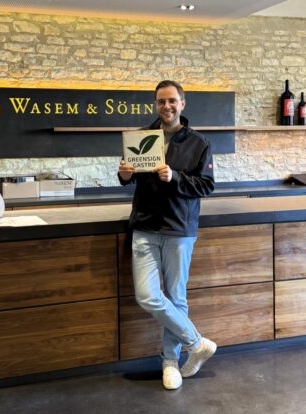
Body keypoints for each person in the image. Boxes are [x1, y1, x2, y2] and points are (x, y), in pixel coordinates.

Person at [118, 80, 217, 390]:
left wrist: (175, 177)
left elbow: (206, 186)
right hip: (145, 226)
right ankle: (197, 343)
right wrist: (124, 175)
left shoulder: (199, 143)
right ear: (155, 104)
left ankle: (170, 363)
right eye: (161, 101)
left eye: (172, 100)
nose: (167, 106)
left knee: (176, 297)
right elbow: (129, 177)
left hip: (179, 229)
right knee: (147, 296)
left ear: (182, 104)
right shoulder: (142, 138)